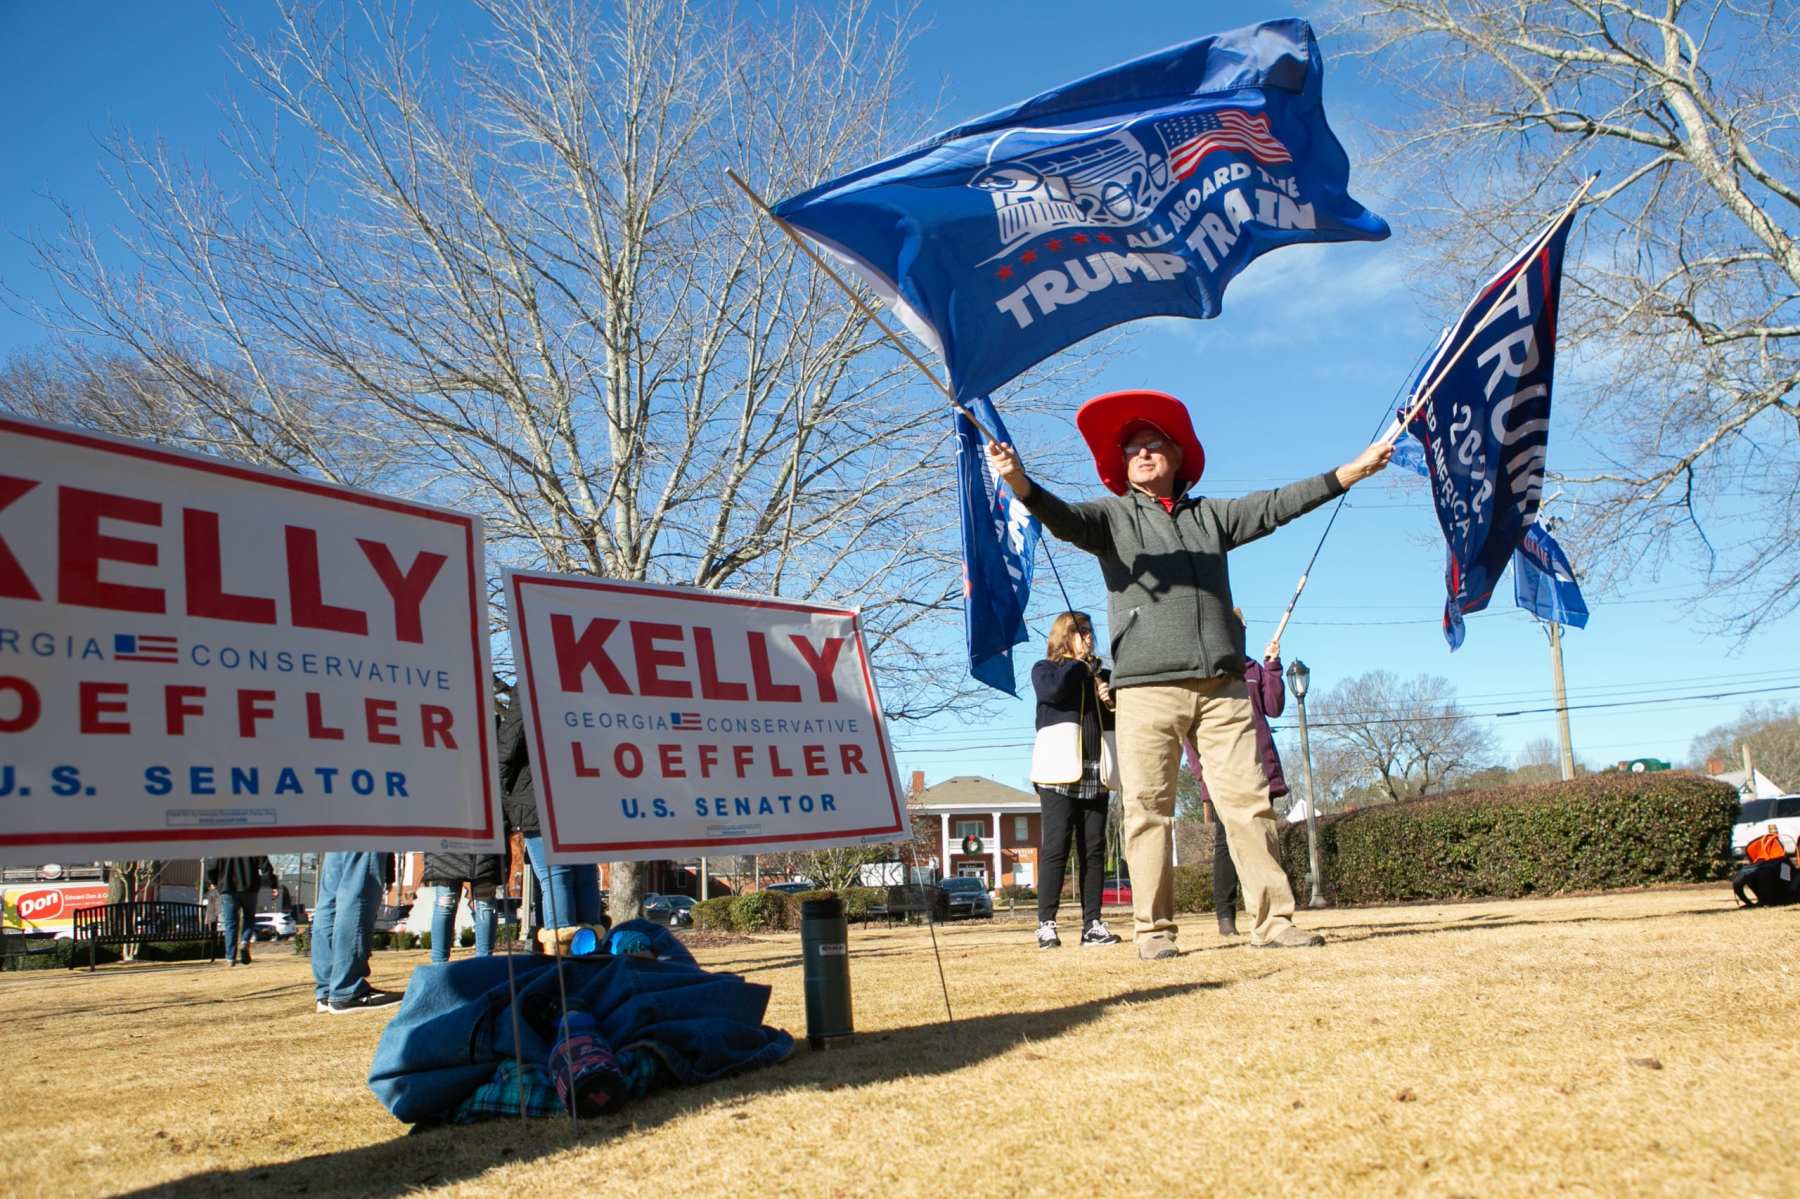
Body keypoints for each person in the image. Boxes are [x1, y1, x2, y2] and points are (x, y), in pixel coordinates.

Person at [987, 389, 1390, 959]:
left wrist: (1347, 473)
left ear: (1179, 458)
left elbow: (1276, 505)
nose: (1143, 454)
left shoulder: (1212, 517)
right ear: (1121, 466)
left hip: (1222, 688)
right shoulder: (1112, 520)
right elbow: (1066, 521)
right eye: (1133, 449)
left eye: (1154, 445)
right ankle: (1154, 932)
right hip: (1145, 690)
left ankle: (1273, 923)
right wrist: (1020, 483)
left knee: (1248, 806)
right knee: (1148, 811)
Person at [1182, 619, 1289, 937]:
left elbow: (1274, 706)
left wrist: (1272, 666)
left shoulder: (1254, 670)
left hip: (1260, 768)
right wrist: (1202, 773)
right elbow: (1190, 732)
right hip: (1222, 771)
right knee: (1226, 843)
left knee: (1264, 838)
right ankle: (1225, 916)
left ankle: (1270, 912)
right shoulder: (1205, 674)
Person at [1029, 611, 1123, 950]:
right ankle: (1046, 924)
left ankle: (1092, 924)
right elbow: (1054, 692)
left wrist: (1112, 700)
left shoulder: (1104, 676)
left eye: (1088, 631)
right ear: (1063, 637)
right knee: (1055, 848)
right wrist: (1079, 665)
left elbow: (1124, 715)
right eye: (1078, 631)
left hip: (1097, 770)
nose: (1087, 636)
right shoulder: (1046, 670)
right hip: (1058, 773)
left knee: (1094, 850)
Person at [500, 702, 605, 940]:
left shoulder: (530, 682)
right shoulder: (583, 688)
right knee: (584, 873)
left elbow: (508, 748)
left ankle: (564, 948)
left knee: (556, 874)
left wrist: (503, 798)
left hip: (539, 794)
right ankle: (591, 944)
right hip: (582, 790)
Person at [311, 852, 402, 1013]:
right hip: (365, 830)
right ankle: (347, 989)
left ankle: (328, 990)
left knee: (330, 901)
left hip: (336, 832)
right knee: (358, 892)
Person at [421, 851, 503, 964]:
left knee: (445, 903)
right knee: (485, 904)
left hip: (446, 844)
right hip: (484, 846)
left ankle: (438, 966)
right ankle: (484, 965)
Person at [207, 855, 273, 966]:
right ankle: (244, 942)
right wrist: (266, 882)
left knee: (230, 923)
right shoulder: (254, 846)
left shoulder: (221, 846)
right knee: (249, 918)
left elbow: (211, 867)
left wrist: (214, 882)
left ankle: (230, 957)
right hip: (250, 888)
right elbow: (266, 867)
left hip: (228, 888)